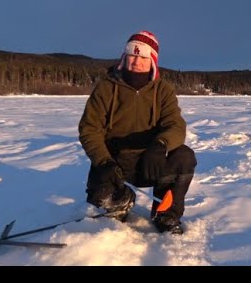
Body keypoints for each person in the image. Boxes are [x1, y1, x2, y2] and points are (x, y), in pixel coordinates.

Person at [78, 30, 197, 234]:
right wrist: (104, 161)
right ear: (124, 56)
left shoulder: (163, 90)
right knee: (103, 205)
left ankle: (166, 215)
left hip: (151, 161)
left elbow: (176, 126)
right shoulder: (106, 88)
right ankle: (118, 207)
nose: (135, 61)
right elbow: (89, 129)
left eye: (141, 56)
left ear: (151, 60)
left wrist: (160, 146)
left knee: (184, 156)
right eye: (131, 55)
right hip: (114, 163)